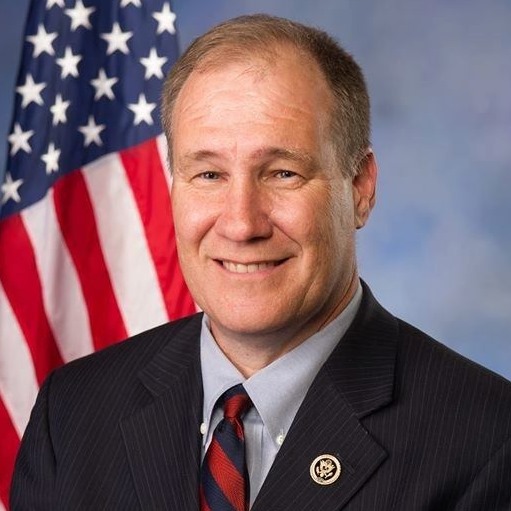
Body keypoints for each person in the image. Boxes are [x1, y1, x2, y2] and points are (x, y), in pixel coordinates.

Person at [11, 14, 511, 511]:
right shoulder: (71, 413)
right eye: (209, 175)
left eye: (283, 173)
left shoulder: (487, 441)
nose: (241, 224)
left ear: (360, 188)